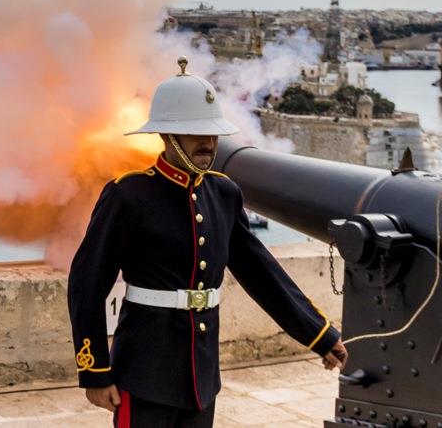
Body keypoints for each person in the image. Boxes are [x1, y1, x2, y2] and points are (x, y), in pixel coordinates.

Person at [67, 57, 348, 427]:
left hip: (202, 376)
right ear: (167, 136)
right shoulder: (128, 195)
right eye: (196, 132)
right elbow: (87, 284)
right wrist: (96, 372)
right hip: (143, 370)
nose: (208, 142)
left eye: (212, 132)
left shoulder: (224, 193)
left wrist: (320, 335)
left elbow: (262, 274)